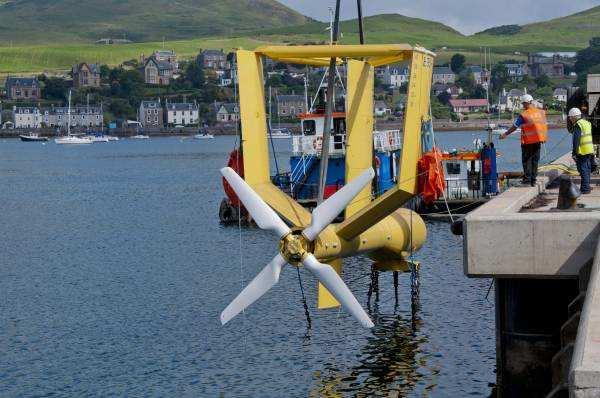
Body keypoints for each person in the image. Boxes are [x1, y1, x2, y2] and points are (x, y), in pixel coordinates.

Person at [500, 94, 548, 186]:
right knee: (535, 160)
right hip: (538, 140)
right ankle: (533, 180)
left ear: (526, 103)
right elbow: (544, 126)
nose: (523, 106)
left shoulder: (524, 114)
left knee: (527, 160)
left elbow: (515, 126)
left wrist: (505, 134)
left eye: (523, 104)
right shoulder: (540, 112)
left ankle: (527, 180)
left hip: (528, 141)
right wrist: (543, 138)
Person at [568, 107, 594, 194]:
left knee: (583, 170)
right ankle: (586, 187)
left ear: (574, 117)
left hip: (582, 151)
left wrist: (574, 153)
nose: (570, 119)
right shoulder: (586, 123)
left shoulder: (578, 125)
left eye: (570, 117)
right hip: (589, 149)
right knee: (587, 169)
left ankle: (585, 189)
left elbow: (576, 140)